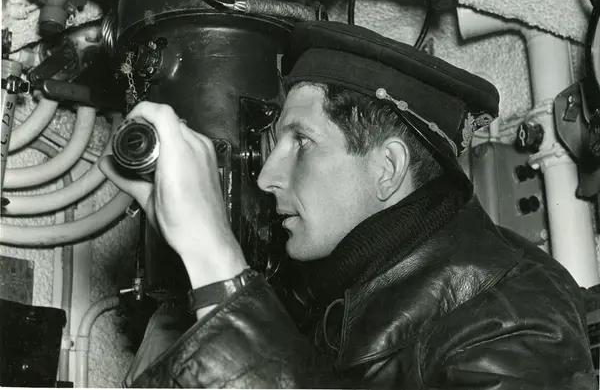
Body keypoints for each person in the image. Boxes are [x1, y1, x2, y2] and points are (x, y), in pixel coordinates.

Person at [99, 21, 595, 389]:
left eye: (301, 142)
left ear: (388, 167)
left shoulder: (517, 316)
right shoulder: (318, 300)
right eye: (274, 143)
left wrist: (215, 262)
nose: (267, 176)